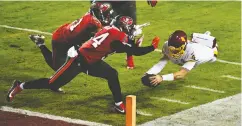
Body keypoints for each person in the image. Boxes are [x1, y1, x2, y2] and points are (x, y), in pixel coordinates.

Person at [6, 16, 160, 114]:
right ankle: (20, 86)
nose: (131, 30)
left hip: (92, 61)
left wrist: (132, 43)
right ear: (123, 28)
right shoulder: (117, 38)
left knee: (112, 74)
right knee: (52, 83)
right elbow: (131, 50)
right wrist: (151, 47)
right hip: (78, 60)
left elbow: (122, 44)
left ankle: (119, 105)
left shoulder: (111, 30)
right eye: (129, 28)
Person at [29, 2, 115, 93]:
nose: (108, 16)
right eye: (106, 14)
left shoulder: (91, 17)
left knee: (65, 67)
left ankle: (54, 84)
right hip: (61, 39)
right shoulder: (93, 23)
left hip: (69, 36)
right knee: (58, 67)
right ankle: (40, 44)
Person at [91, 0, 158, 69]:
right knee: (105, 26)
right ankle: (95, 53)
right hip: (109, 2)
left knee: (129, 26)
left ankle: (129, 57)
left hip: (127, 2)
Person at [141, 30, 218, 87]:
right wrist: (149, 73)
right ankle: (200, 38)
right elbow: (162, 62)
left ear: (183, 47)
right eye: (171, 50)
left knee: (213, 58)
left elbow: (181, 74)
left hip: (207, 52)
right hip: (190, 47)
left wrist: (162, 78)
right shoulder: (166, 45)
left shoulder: (193, 52)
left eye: (176, 50)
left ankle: (209, 43)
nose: (173, 52)